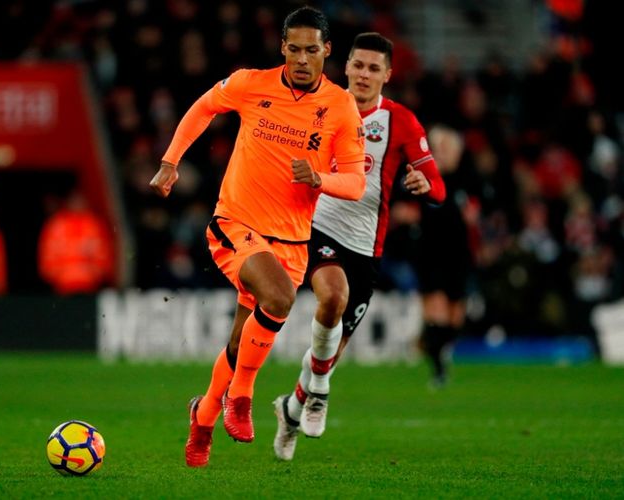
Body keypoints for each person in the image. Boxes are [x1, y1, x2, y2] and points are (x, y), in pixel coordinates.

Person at [149, 6, 366, 467]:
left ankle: (203, 415)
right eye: (294, 49)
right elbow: (206, 105)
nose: (302, 59)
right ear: (282, 48)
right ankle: (242, 396)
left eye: (312, 50)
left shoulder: (341, 106)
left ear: (327, 51)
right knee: (281, 299)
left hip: (291, 240)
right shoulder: (252, 83)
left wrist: (320, 179)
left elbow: (355, 183)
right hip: (235, 224)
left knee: (238, 340)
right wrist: (171, 160)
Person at [272, 32, 446, 461]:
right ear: (345, 66)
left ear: (388, 74)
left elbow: (438, 187)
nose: (365, 74)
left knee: (327, 350)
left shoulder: (400, 121)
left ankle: (293, 407)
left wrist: (424, 186)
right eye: (358, 65)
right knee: (332, 295)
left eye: (374, 68)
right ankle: (320, 393)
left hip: (366, 245)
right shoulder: (318, 105)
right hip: (316, 227)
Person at [415, 124, 474, 388]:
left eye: (447, 149)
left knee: (455, 317)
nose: (442, 153)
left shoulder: (467, 182)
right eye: (438, 148)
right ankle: (438, 370)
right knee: (437, 310)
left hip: (459, 256)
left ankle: (432, 347)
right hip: (431, 254)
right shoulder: (423, 179)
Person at [37, 189, 114, 295]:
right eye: (74, 200)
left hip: (90, 286)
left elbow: (103, 254)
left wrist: (95, 273)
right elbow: (48, 255)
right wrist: (57, 275)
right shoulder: (56, 225)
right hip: (62, 286)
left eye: (80, 200)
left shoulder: (94, 225)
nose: (77, 203)